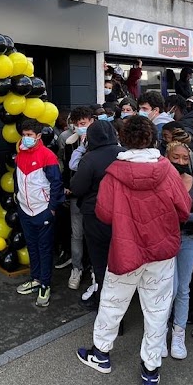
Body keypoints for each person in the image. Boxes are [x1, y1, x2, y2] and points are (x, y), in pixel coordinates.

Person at [76, 115, 191, 385]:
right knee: (157, 308)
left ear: (123, 139)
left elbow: (103, 213)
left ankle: (101, 353)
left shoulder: (114, 174)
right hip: (161, 251)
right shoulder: (167, 170)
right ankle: (151, 369)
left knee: (113, 302)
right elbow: (184, 209)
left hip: (126, 248)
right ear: (153, 138)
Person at [163, 141, 193, 359]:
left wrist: (190, 218)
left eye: (185, 158)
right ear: (167, 157)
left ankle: (178, 334)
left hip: (189, 240)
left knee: (183, 288)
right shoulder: (158, 182)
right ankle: (159, 333)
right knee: (167, 290)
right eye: (176, 157)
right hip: (163, 240)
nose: (181, 162)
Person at [69, 118, 121, 310]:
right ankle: (119, 306)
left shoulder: (90, 159)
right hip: (122, 216)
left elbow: (77, 187)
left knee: (100, 263)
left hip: (95, 216)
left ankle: (104, 303)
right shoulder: (125, 154)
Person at [14, 119, 65, 306]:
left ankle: (45, 283)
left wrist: (51, 208)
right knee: (32, 246)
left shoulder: (48, 156)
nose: (26, 138)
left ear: (38, 136)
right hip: (25, 209)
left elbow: (56, 184)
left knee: (44, 249)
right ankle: (35, 279)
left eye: (29, 136)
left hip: (43, 210)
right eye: (24, 135)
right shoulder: (20, 154)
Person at [58, 106, 94, 290]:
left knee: (94, 234)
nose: (80, 127)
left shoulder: (99, 140)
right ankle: (77, 268)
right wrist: (67, 187)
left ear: (91, 121)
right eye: (77, 124)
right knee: (77, 233)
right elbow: (65, 166)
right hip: (75, 194)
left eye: (83, 123)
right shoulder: (69, 141)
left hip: (95, 196)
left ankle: (95, 270)